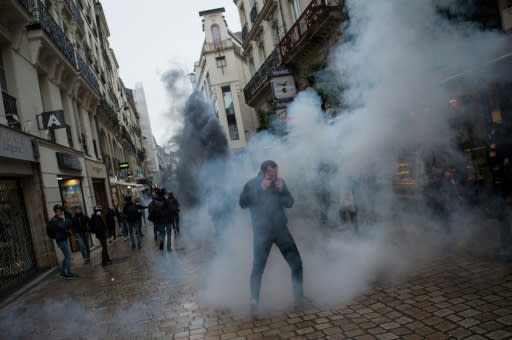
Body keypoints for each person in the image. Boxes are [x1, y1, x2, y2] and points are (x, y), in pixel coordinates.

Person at [239, 160, 305, 311]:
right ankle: (254, 302)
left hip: (280, 230)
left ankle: (299, 298)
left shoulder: (279, 182)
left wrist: (282, 190)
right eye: (271, 174)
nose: (274, 176)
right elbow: (242, 203)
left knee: (296, 263)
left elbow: (289, 202)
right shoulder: (251, 184)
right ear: (262, 172)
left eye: (276, 173)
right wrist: (260, 189)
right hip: (262, 232)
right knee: (258, 268)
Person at [48, 204, 78, 279]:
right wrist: (68, 220)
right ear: (55, 212)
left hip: (64, 239)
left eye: (60, 211)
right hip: (61, 241)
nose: (60, 212)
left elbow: (65, 226)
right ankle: (69, 273)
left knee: (66, 257)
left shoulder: (60, 219)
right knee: (68, 257)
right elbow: (62, 226)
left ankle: (62, 272)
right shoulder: (55, 220)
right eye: (58, 211)